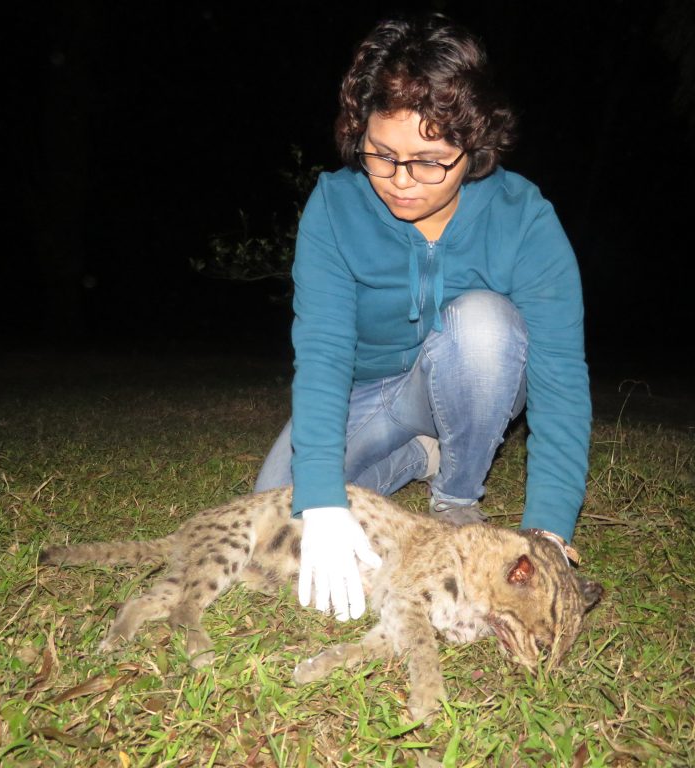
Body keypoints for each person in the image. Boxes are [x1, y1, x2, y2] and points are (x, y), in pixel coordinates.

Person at [255, 13, 591, 623]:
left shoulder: (525, 218)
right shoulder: (335, 207)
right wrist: (322, 500)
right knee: (274, 521)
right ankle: (419, 453)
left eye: (430, 160)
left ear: (476, 146)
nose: (402, 182)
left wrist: (549, 529)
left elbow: (561, 377)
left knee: (483, 324)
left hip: (475, 374)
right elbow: (324, 354)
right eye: (382, 156)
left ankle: (456, 493)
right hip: (374, 393)